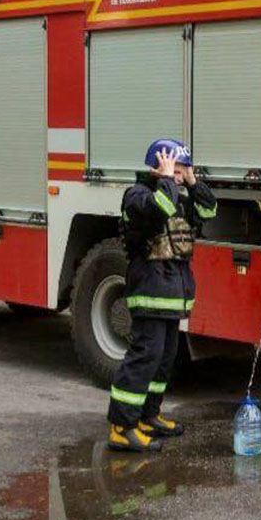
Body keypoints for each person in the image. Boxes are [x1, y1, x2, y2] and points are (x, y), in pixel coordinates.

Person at [107, 138, 217, 452]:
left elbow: (209, 211)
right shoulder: (138, 196)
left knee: (164, 359)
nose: (181, 174)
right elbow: (160, 209)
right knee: (145, 357)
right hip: (150, 288)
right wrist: (168, 179)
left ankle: (147, 415)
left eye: (184, 170)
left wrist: (194, 182)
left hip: (173, 290)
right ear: (159, 166)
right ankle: (121, 425)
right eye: (178, 168)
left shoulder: (178, 195)